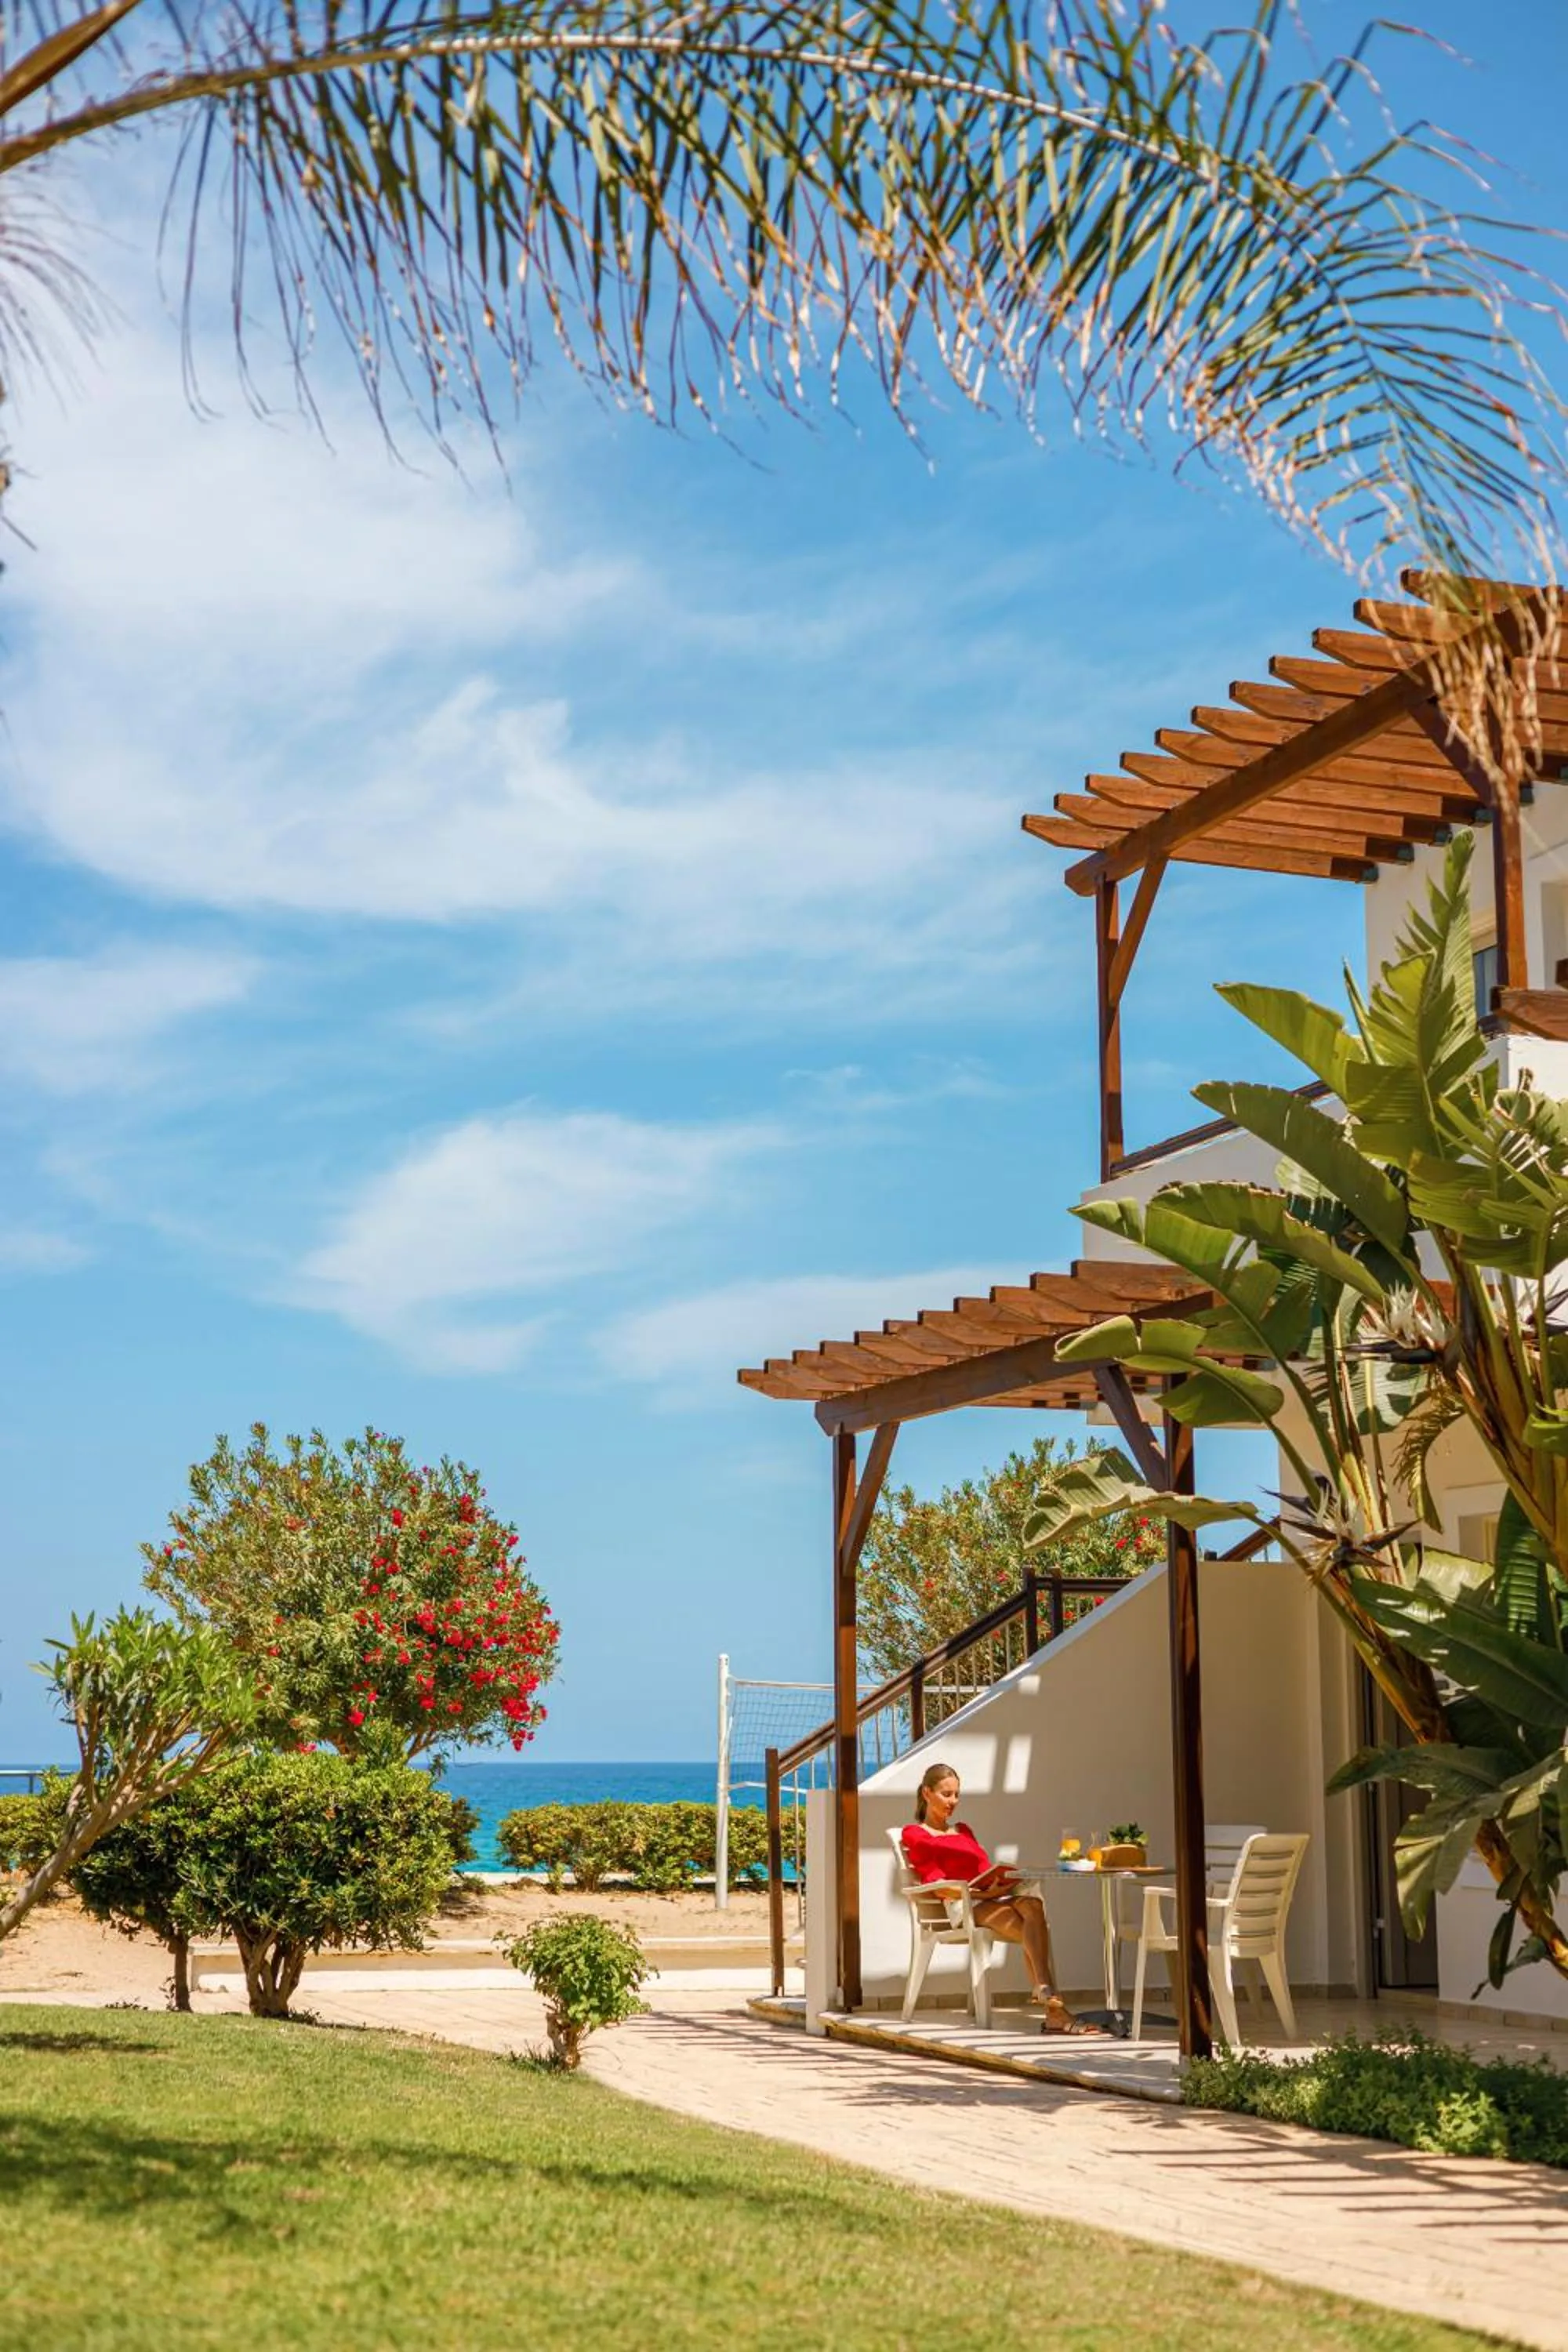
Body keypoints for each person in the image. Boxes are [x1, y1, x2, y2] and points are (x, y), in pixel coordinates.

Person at [900, 1760, 1098, 2036]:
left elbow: (983, 1869)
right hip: (962, 1905)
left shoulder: (963, 1830)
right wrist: (981, 1893)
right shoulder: (916, 1834)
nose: (953, 1801)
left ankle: (1045, 1993)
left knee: (1033, 1904)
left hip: (988, 1896)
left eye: (957, 1794)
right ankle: (1053, 2005)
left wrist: (999, 1882)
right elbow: (938, 1886)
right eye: (946, 1794)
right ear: (926, 1793)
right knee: (1030, 1928)